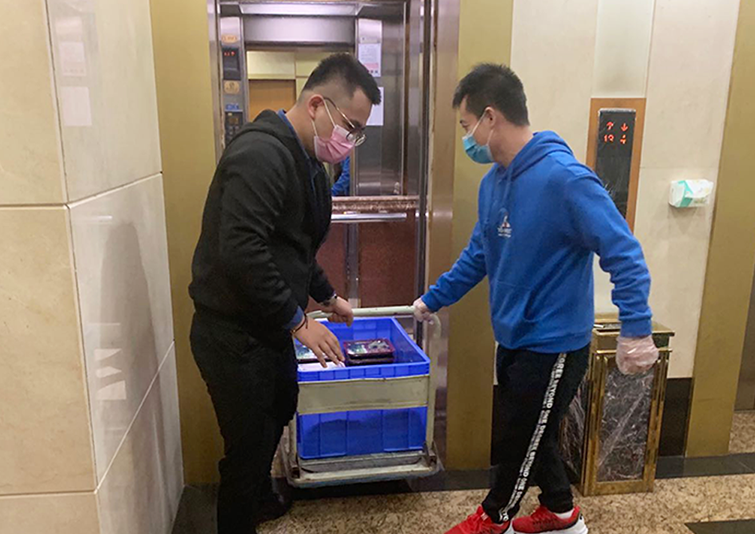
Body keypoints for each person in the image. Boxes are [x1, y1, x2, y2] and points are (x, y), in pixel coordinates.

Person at [413, 64, 658, 534]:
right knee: (533, 428)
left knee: (518, 436)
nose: (467, 139)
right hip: (513, 335)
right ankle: (562, 512)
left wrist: (636, 329)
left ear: (491, 117)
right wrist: (434, 298)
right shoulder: (494, 183)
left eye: (466, 126)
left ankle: (495, 517)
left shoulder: (565, 179)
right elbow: (479, 254)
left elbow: (623, 252)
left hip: (554, 343)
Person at [188, 53, 380, 534]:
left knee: (279, 408)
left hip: (266, 328)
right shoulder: (261, 155)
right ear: (316, 105)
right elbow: (242, 251)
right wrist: (299, 321)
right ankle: (239, 518)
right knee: (247, 447)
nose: (350, 140)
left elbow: (293, 248)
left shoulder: (306, 162)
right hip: (233, 335)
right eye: (350, 127)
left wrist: (328, 297)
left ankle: (258, 498)